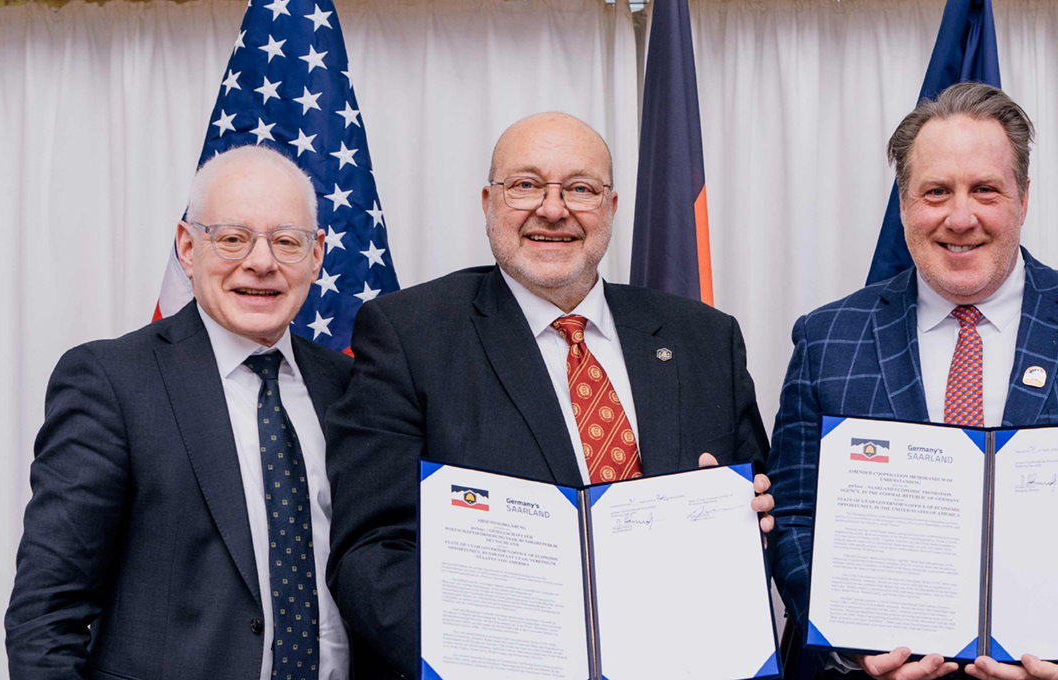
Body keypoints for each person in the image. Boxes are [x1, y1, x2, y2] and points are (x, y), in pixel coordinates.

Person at [766, 82, 1058, 680]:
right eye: (936, 191)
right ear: (903, 203)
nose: (961, 217)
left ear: (1023, 199)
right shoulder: (827, 340)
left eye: (985, 190)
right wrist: (850, 647)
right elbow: (793, 518)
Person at [324, 111, 774, 678]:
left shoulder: (705, 338)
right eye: (526, 185)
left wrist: (752, 520)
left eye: (581, 189)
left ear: (611, 207)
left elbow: (764, 515)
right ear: (488, 203)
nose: (554, 209)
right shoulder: (409, 335)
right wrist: (489, 661)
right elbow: (371, 554)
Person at [6, 145, 353, 680]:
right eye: (233, 238)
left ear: (317, 255)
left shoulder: (351, 386)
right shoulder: (112, 382)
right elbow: (45, 617)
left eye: (286, 241)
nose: (261, 263)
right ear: (188, 248)